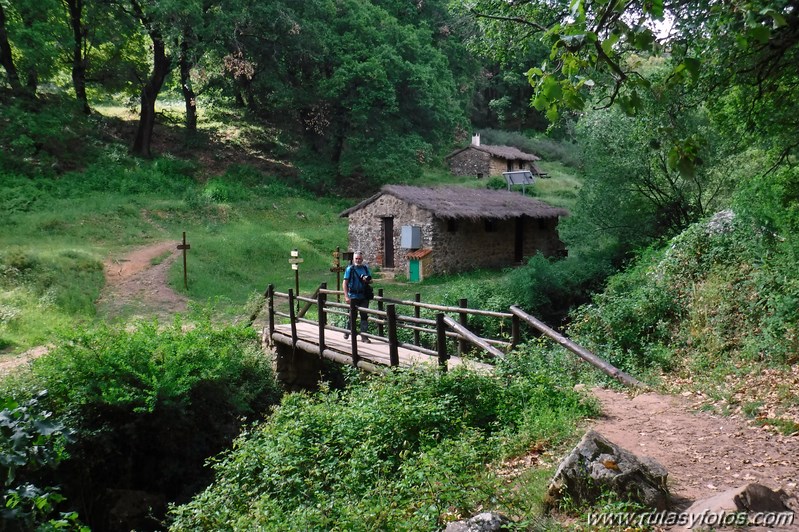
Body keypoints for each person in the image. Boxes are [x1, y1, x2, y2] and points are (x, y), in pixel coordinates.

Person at [342, 251, 373, 342]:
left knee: (364, 315)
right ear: (353, 259)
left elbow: (371, 281)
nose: (358, 260)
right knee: (352, 315)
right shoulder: (350, 269)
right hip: (353, 295)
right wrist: (346, 296)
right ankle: (348, 331)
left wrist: (366, 280)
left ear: (362, 259)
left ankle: (364, 336)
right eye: (356, 259)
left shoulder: (365, 268)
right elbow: (345, 283)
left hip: (363, 295)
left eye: (359, 259)